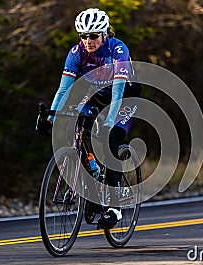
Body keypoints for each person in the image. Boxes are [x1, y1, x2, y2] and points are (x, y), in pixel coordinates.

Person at [45, 8, 141, 229]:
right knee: (73, 126)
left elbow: (117, 92)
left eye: (93, 36)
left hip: (124, 97)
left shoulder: (117, 50)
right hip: (96, 95)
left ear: (104, 33)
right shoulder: (76, 53)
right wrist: (51, 116)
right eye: (83, 36)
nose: (88, 40)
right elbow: (63, 91)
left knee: (112, 140)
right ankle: (93, 179)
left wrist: (109, 122)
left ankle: (115, 208)